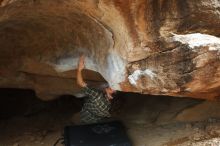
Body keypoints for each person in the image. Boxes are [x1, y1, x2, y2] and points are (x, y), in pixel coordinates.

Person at [76, 55, 116, 124]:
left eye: (113, 89)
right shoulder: (108, 105)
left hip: (84, 116)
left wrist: (79, 69)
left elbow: (80, 83)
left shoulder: (97, 95)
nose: (111, 86)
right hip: (94, 120)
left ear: (110, 96)